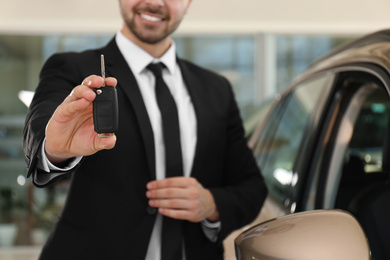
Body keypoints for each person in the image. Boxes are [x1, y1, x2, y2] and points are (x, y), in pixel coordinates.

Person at [23, 0, 267, 259]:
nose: (154, 2)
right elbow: (41, 125)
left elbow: (251, 186)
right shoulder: (71, 69)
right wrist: (54, 148)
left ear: (188, 3)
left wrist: (212, 204)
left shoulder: (217, 89)